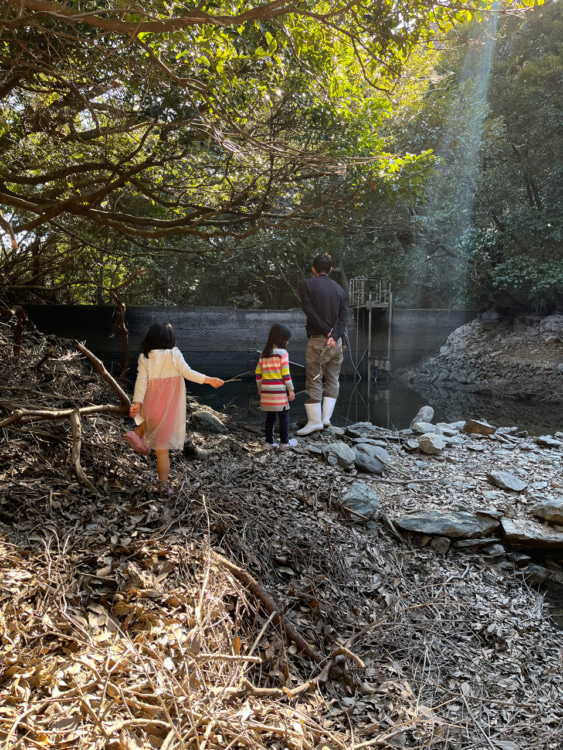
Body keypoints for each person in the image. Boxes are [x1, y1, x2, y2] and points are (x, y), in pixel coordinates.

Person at [124, 322, 224, 494]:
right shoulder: (174, 354)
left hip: (150, 403)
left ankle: (136, 434)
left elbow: (141, 381)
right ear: (170, 339)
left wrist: (137, 403)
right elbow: (188, 373)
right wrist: (209, 379)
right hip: (168, 407)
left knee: (150, 420)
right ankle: (163, 486)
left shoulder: (144, 357)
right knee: (162, 453)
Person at [297, 253, 348, 435]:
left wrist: (326, 331)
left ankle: (314, 422)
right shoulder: (340, 290)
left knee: (314, 379)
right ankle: (325, 419)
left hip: (319, 340)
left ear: (313, 269)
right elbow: (343, 318)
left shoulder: (307, 285)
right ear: (331, 270)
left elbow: (309, 311)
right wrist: (334, 334)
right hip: (337, 343)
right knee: (333, 379)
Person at [255, 323, 298, 450]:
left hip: (266, 392)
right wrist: (291, 390)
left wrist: (259, 388)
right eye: (287, 339)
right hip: (279, 392)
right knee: (284, 416)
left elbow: (258, 372)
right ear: (281, 339)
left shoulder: (264, 353)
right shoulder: (283, 353)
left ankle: (268, 443)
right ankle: (284, 443)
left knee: (270, 417)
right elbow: (286, 374)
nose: (288, 342)